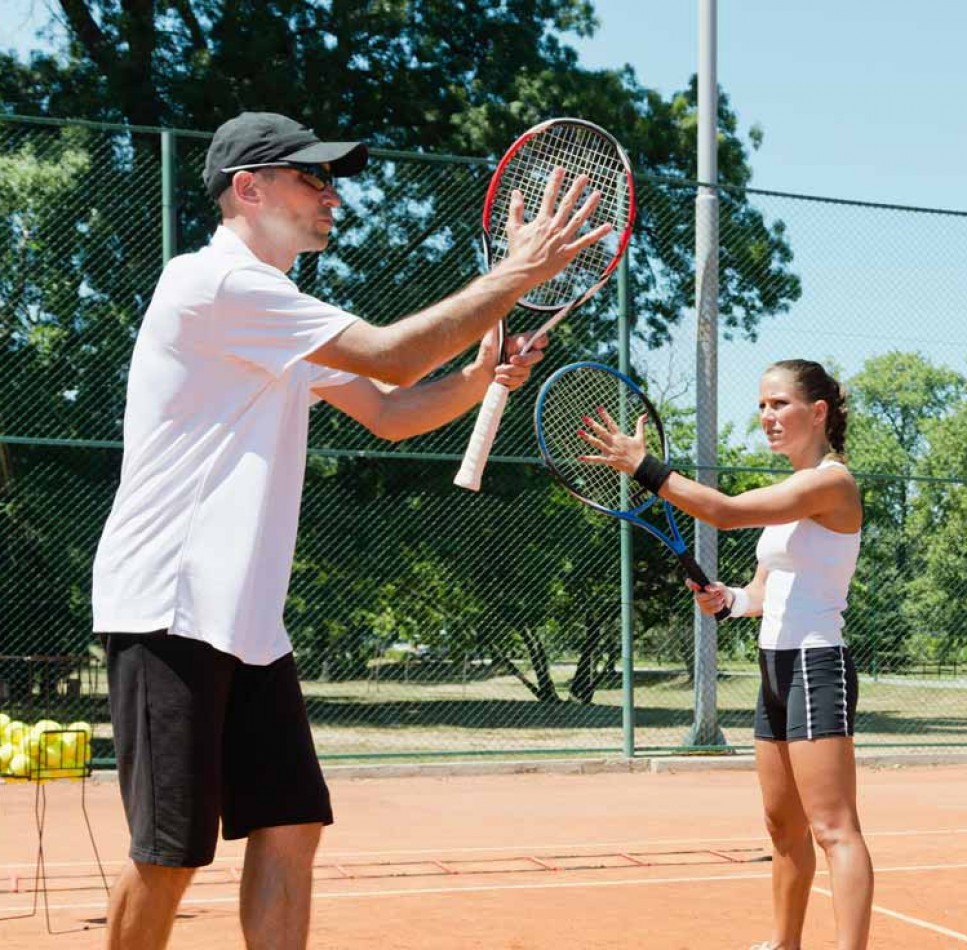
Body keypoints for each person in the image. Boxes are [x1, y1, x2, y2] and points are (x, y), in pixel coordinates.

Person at [90, 111, 610, 949]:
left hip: (246, 620)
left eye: (332, 178)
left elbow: (393, 410)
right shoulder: (217, 284)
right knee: (170, 855)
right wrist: (517, 272)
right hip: (169, 606)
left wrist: (480, 377)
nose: (333, 194)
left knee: (292, 825)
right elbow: (393, 355)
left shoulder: (278, 308)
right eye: (312, 177)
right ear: (247, 189)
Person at [577, 358, 872, 950]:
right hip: (774, 666)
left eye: (780, 404)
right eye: (762, 404)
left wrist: (645, 467)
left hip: (817, 665)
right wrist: (730, 599)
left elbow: (726, 511)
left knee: (833, 828)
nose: (767, 416)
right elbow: (765, 591)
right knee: (782, 826)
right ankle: (784, 944)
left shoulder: (831, 483)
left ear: (818, 413)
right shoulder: (792, 495)